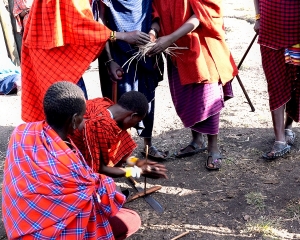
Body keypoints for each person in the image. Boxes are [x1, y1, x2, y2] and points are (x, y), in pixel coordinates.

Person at [2, 81, 142, 239]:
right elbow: (105, 191)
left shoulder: (21, 132)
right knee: (131, 219)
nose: (84, 123)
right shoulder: (75, 169)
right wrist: (131, 172)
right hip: (48, 235)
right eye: (83, 118)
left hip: (18, 222)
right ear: (75, 119)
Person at [21, 0, 151, 123]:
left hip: (44, 53)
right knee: (70, 113)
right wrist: (122, 36)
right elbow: (79, 26)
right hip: (54, 58)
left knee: (57, 111)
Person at [147, 0, 238, 170]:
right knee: (188, 97)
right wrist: (153, 32)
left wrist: (169, 38)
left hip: (201, 45)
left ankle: (213, 148)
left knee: (207, 96)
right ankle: (197, 140)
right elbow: (156, 14)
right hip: (176, 49)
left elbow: (203, 13)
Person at [92, 0, 168, 160]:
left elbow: (156, 15)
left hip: (145, 51)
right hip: (116, 54)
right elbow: (99, 24)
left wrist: (153, 33)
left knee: (147, 99)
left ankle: (148, 146)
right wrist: (109, 61)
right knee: (120, 103)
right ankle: (120, 150)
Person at [70, 91, 168, 179]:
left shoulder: (101, 104)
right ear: (132, 116)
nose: (135, 125)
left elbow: (118, 153)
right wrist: (137, 171)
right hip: (72, 166)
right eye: (137, 121)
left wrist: (136, 162)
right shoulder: (101, 128)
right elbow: (101, 169)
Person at [253, 0, 300, 160]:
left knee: (296, 85)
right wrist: (258, 18)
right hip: (270, 33)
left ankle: (287, 127)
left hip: (296, 32)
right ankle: (279, 140)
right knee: (275, 85)